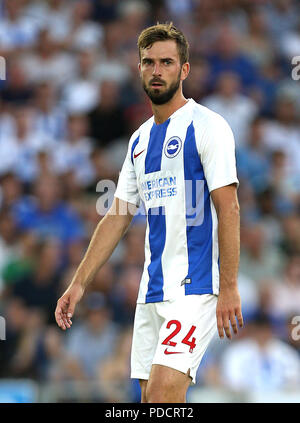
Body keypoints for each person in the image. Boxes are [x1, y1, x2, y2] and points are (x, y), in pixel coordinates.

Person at [55, 22, 244, 403]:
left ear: (184, 69)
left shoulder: (208, 126)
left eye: (167, 62)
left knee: (160, 399)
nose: (157, 71)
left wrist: (229, 286)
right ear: (139, 69)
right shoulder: (139, 139)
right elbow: (118, 215)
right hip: (151, 290)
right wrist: (79, 282)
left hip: (196, 289)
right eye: (149, 62)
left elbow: (230, 207)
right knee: (152, 402)